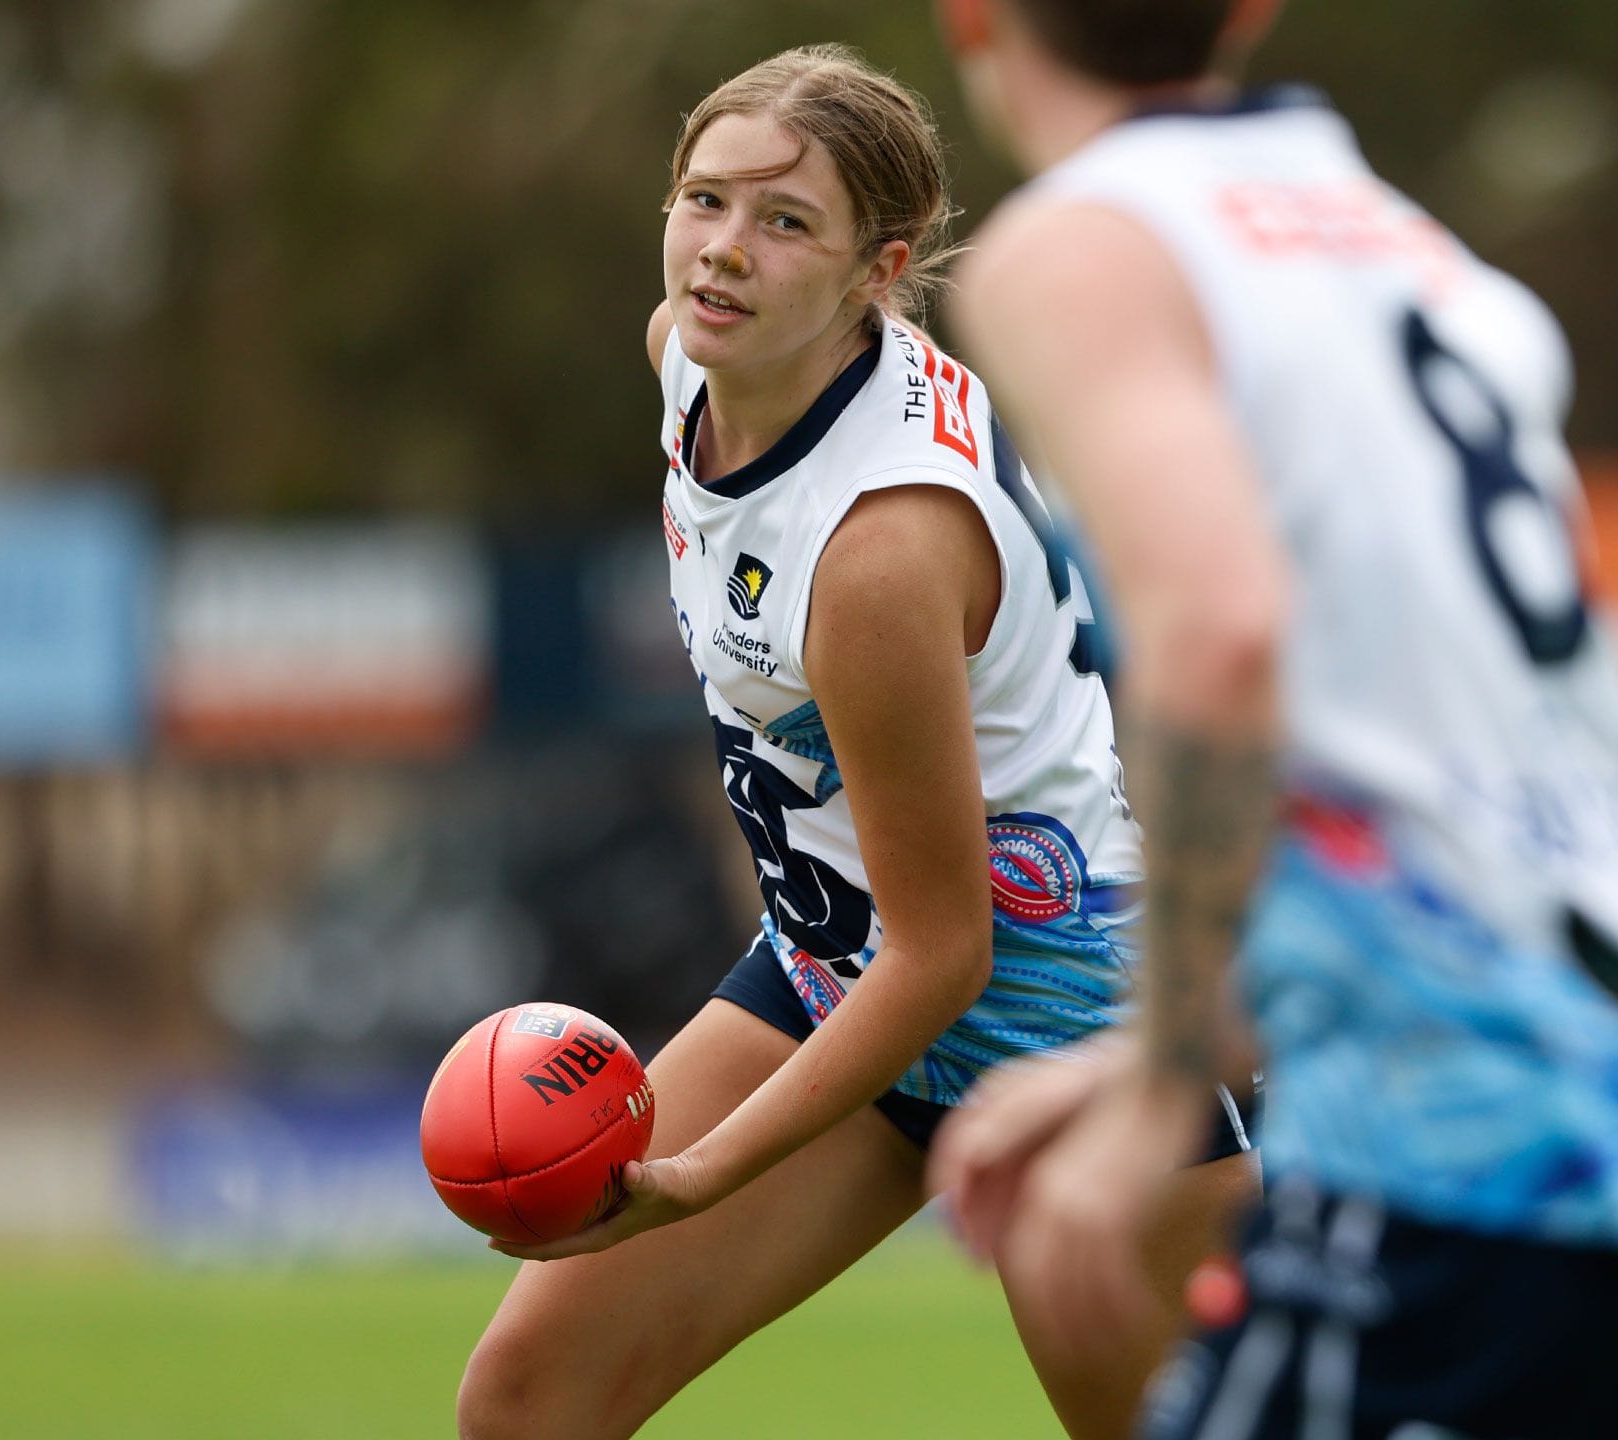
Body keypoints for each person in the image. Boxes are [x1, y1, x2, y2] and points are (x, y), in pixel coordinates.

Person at [925, 3, 1618, 1435]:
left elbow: (1219, 635)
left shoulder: (1081, 245)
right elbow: (1424, 786)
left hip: (1463, 1141)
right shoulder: (1410, 251)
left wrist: (1163, 1078)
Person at [455, 45, 1256, 1440]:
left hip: (1062, 1024)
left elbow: (947, 954)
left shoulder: (880, 547)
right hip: (844, 974)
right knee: (529, 1403)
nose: (721, 252)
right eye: (703, 201)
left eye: (784, 224)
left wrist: (699, 1175)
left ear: (878, 269)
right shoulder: (687, 366)